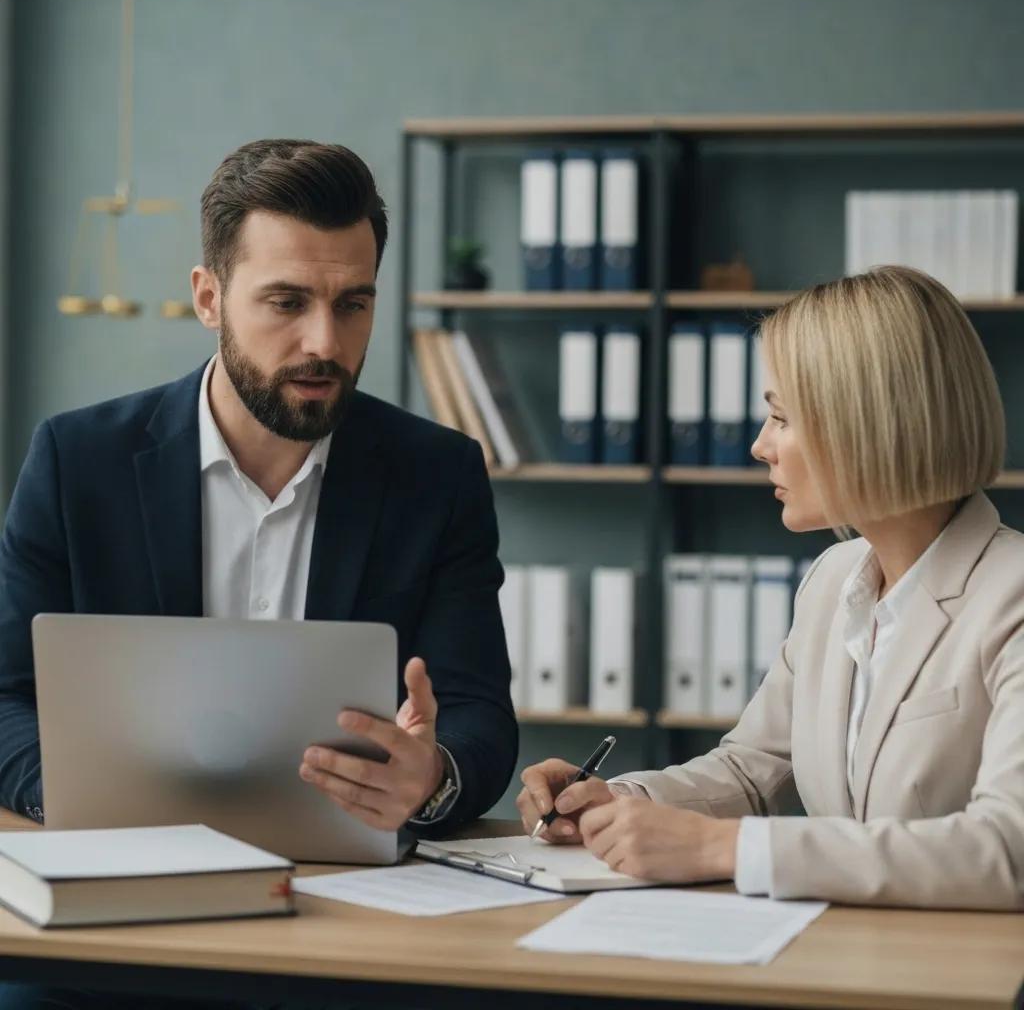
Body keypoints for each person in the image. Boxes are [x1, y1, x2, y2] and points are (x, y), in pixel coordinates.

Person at [0, 137, 517, 840]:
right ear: (209, 299)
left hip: (351, 899)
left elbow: (478, 714)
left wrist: (430, 778)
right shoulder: (77, 461)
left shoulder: (439, 475)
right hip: (123, 865)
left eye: (352, 305)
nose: (325, 343)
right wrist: (82, 797)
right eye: (287, 302)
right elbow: (5, 695)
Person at [519, 265, 1024, 909]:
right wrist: (617, 802)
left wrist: (720, 849)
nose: (760, 446)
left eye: (781, 418)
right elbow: (753, 768)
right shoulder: (833, 579)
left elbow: (1009, 848)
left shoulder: (1011, 596)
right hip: (838, 953)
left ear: (867, 426)